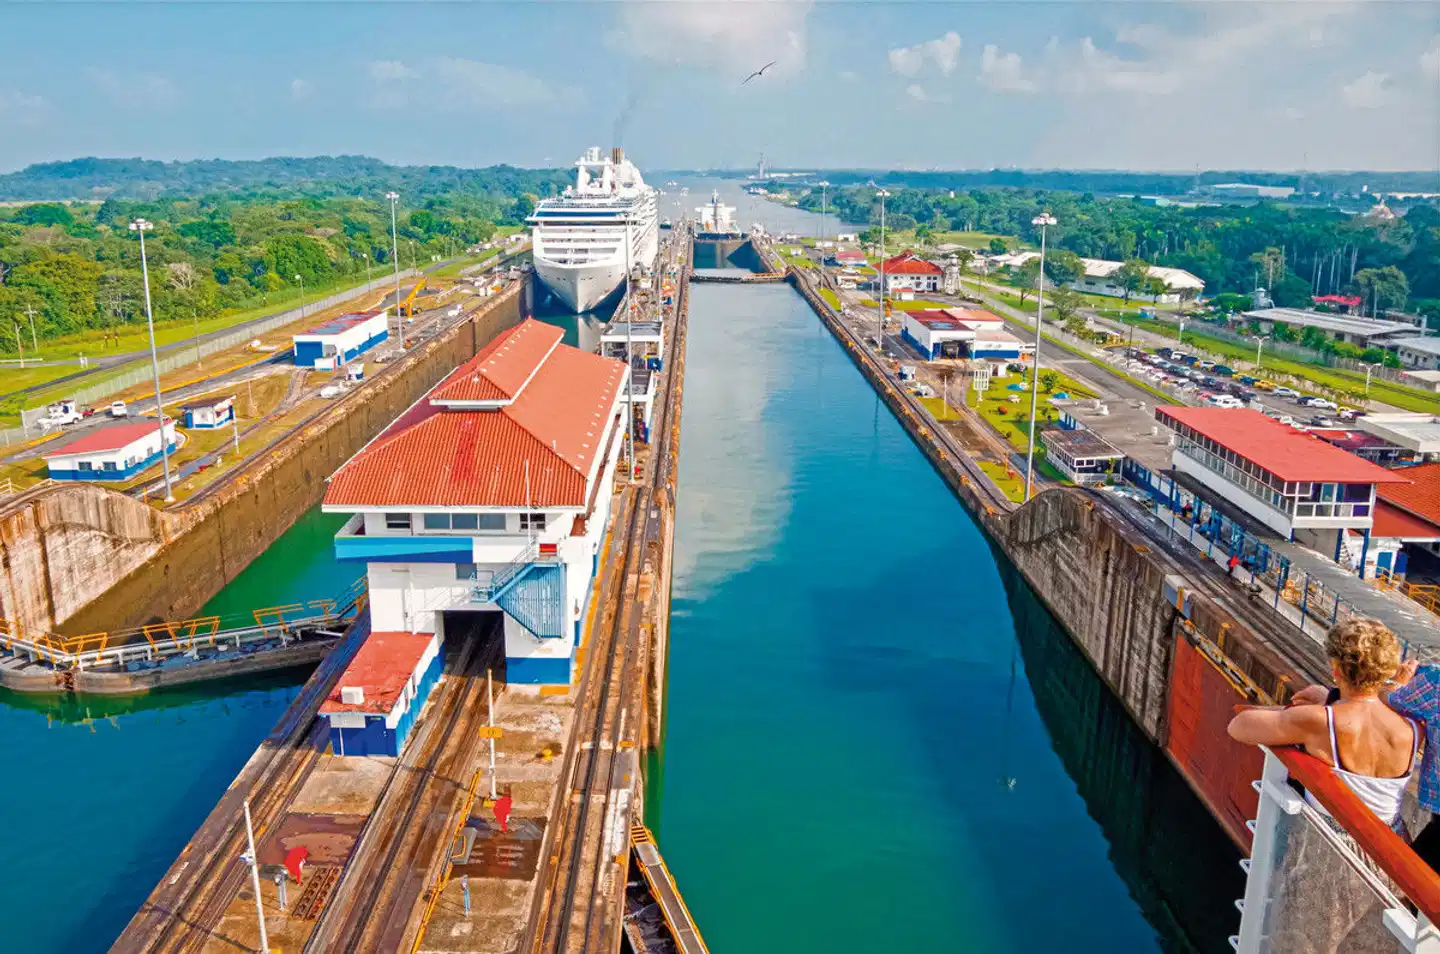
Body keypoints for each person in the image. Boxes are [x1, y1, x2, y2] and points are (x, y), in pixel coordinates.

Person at [1228, 618, 1419, 832]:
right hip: (1391, 843)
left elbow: (1239, 725)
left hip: (1328, 847)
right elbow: (1370, 710)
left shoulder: (1322, 721)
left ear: (1336, 669)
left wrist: (1316, 707)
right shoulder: (1412, 727)